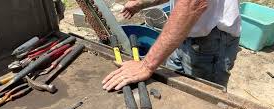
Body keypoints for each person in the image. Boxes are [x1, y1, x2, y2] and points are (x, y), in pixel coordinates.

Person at [102, 0, 241, 91]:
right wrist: (141, 3)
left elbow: (193, 3)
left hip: (210, 41)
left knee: (204, 99)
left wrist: (146, 65)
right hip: (182, 32)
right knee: (176, 89)